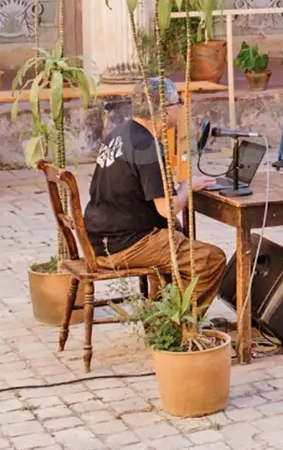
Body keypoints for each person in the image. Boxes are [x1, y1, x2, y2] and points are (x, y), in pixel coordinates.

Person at [83, 78, 226, 309]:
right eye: (178, 102)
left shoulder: (119, 132)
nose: (180, 108)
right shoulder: (148, 146)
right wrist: (187, 186)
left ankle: (159, 312)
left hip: (101, 235)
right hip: (123, 243)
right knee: (211, 259)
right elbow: (168, 210)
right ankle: (176, 326)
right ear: (164, 110)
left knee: (178, 235)